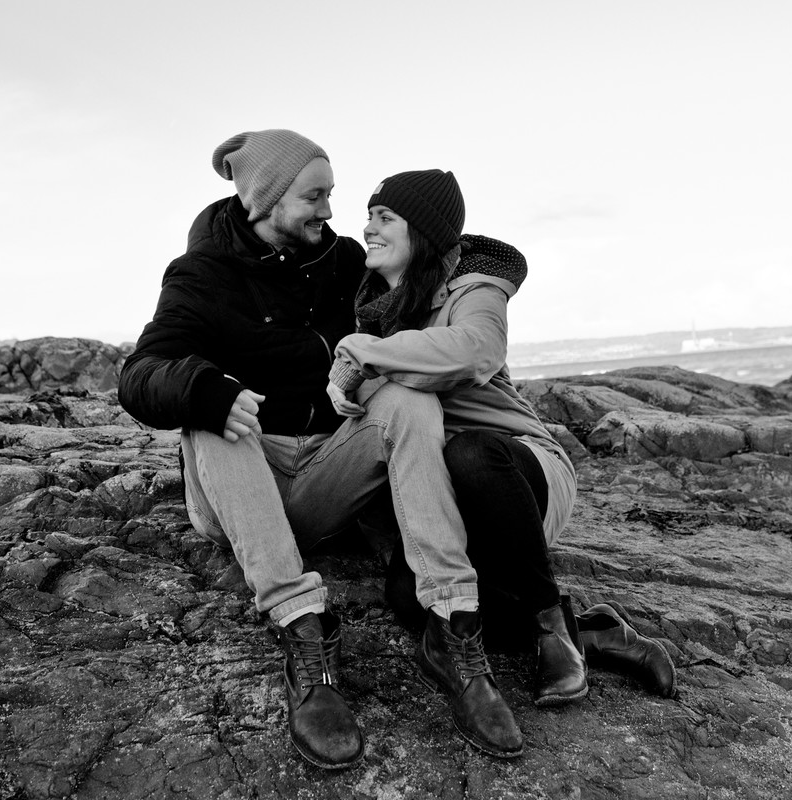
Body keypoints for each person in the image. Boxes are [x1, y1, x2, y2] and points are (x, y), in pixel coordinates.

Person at [118, 131, 521, 769]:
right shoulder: (200, 276)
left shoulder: (342, 266)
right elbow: (142, 373)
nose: (329, 211)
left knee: (408, 400)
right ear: (267, 198)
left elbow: (428, 261)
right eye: (315, 196)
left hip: (325, 478)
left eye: (331, 195)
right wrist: (200, 389)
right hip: (243, 483)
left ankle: (452, 623)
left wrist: (496, 278)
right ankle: (303, 630)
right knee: (211, 410)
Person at [325, 169, 593, 714]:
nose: (369, 228)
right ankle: (597, 631)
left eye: (386, 218)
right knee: (408, 596)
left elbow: (475, 352)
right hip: (444, 495)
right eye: (369, 216)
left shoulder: (476, 288)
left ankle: (551, 630)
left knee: (469, 452)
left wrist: (365, 354)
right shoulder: (370, 308)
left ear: (421, 231)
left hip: (514, 470)